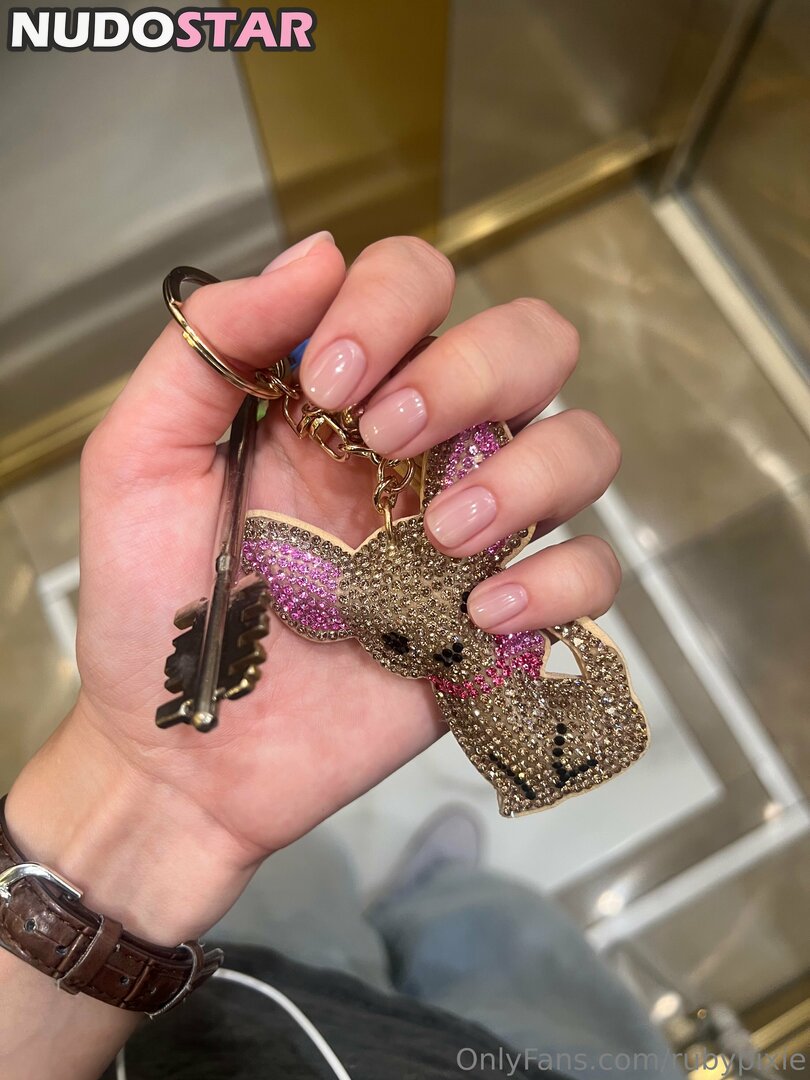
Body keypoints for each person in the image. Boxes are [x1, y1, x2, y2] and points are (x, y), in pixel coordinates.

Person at [0, 233, 674, 1079]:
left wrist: (147, 797)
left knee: (327, 905)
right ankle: (443, 898)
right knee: (523, 956)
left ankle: (432, 899)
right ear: (326, 603)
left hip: (239, 993)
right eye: (400, 639)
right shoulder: (331, 589)